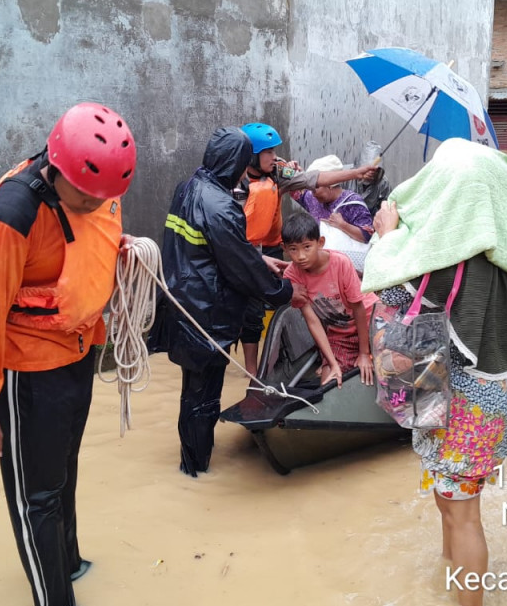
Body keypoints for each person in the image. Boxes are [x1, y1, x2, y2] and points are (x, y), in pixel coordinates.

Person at [363, 139, 507, 606]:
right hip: (486, 402)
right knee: (450, 502)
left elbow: (389, 294)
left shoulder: (434, 256)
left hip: (451, 402)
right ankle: (450, 582)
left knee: (463, 515)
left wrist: (386, 235)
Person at [0, 102, 137, 606]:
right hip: (27, 372)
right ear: (57, 167)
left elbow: (86, 242)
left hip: (77, 353)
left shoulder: (96, 192)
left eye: (105, 197)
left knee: (63, 473)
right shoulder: (10, 217)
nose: (96, 204)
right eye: (86, 195)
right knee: (37, 493)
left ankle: (71, 564)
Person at [148, 127, 308, 478]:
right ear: (237, 162)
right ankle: (196, 471)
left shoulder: (188, 188)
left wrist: (259, 259)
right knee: (204, 398)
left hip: (183, 306)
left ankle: (190, 464)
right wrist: (284, 293)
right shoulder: (221, 206)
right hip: (207, 315)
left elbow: (213, 251)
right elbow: (241, 270)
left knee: (192, 392)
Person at [237, 123, 378, 377]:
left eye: (274, 151)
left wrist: (356, 173)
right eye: (267, 152)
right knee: (249, 309)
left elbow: (316, 179)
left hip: (268, 246)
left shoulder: (278, 172)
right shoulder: (236, 182)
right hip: (243, 248)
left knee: (262, 308)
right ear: (251, 156)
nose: (274, 156)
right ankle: (251, 373)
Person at [280, 212, 376, 388]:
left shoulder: (340, 263)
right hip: (340, 334)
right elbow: (313, 321)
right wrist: (332, 363)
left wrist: (364, 353)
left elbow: (359, 308)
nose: (300, 256)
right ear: (284, 249)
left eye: (307, 247)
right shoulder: (292, 276)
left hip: (371, 323)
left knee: (390, 364)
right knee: (329, 384)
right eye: (293, 249)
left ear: (320, 243)